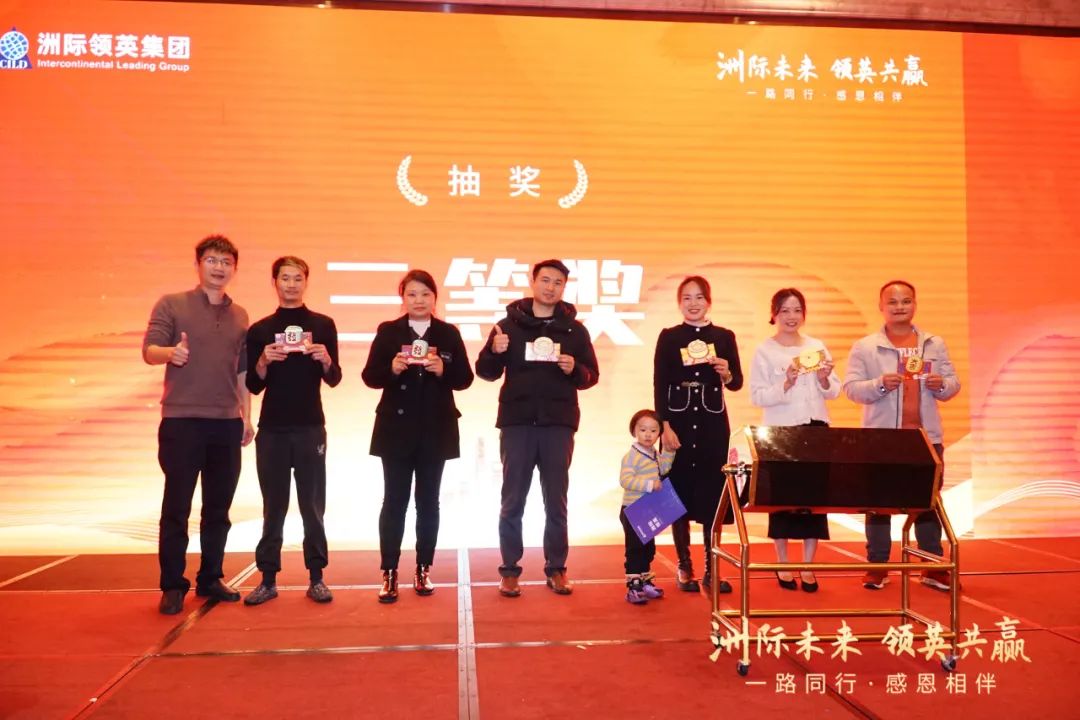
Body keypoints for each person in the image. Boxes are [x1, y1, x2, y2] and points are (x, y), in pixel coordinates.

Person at [142, 234, 254, 615]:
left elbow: (242, 372)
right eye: (211, 260)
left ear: (234, 269)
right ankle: (172, 584)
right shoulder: (172, 304)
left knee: (218, 508)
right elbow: (149, 350)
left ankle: (210, 577)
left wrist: (247, 416)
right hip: (182, 421)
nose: (219, 267)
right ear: (198, 264)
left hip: (226, 423)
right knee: (177, 506)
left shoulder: (241, 316)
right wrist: (170, 353)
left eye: (226, 262)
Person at [476, 259, 600, 598]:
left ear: (564, 288)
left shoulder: (575, 331)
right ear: (533, 282)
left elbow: (591, 376)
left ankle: (556, 568)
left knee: (556, 501)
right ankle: (509, 570)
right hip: (517, 423)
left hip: (558, 425)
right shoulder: (507, 326)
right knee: (512, 499)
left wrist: (575, 369)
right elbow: (485, 372)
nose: (550, 287)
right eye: (545, 280)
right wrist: (494, 351)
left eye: (558, 283)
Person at [362, 270, 474, 603]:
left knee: (428, 502)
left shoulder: (448, 333)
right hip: (395, 431)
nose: (419, 300)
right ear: (403, 298)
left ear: (435, 297)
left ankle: (423, 569)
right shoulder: (389, 331)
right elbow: (370, 376)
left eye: (425, 294)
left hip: (435, 430)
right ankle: (389, 572)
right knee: (393, 502)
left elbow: (465, 378)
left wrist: (444, 371)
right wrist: (392, 369)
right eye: (412, 294)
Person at [843, 280, 961, 591]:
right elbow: (851, 389)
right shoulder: (866, 346)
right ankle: (878, 566)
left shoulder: (933, 343)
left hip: (925, 437)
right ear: (881, 307)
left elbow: (953, 384)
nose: (899, 307)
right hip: (881, 438)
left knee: (928, 502)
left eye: (906, 301)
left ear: (915, 305)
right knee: (878, 503)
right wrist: (880, 384)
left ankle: (932, 566)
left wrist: (941, 384)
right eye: (893, 302)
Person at [242, 256, 342, 606]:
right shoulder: (260, 330)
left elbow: (335, 378)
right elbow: (253, 385)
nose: (291, 284)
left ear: (306, 282)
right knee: (273, 507)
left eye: (297, 278)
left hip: (311, 427)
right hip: (272, 430)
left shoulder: (323, 325)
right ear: (275, 282)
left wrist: (326, 360)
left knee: (313, 506)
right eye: (285, 278)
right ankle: (268, 579)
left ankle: (317, 578)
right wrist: (262, 361)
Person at [653, 275, 742, 594]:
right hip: (677, 422)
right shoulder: (669, 336)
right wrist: (664, 426)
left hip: (712, 424)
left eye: (699, 297)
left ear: (709, 301)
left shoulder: (724, 336)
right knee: (676, 493)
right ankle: (684, 565)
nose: (693, 303)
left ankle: (711, 567)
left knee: (711, 494)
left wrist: (726, 372)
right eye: (687, 298)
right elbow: (659, 382)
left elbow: (736, 382)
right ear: (680, 303)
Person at [749, 288, 841, 593]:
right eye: (784, 310)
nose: (791, 316)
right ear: (774, 314)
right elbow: (757, 396)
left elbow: (834, 390)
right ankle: (783, 561)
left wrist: (825, 378)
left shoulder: (816, 346)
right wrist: (786, 383)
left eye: (797, 310)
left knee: (814, 500)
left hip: (816, 429)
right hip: (781, 433)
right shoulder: (765, 350)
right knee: (783, 500)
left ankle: (809, 565)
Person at [618, 409, 675, 604]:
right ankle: (633, 586)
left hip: (648, 510)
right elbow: (625, 480)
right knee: (635, 548)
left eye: (653, 430)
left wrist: (669, 452)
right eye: (643, 430)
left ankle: (645, 581)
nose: (648, 434)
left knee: (648, 548)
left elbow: (664, 468)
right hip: (633, 509)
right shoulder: (631, 457)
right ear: (634, 431)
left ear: (659, 433)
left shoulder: (654, 454)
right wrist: (649, 485)